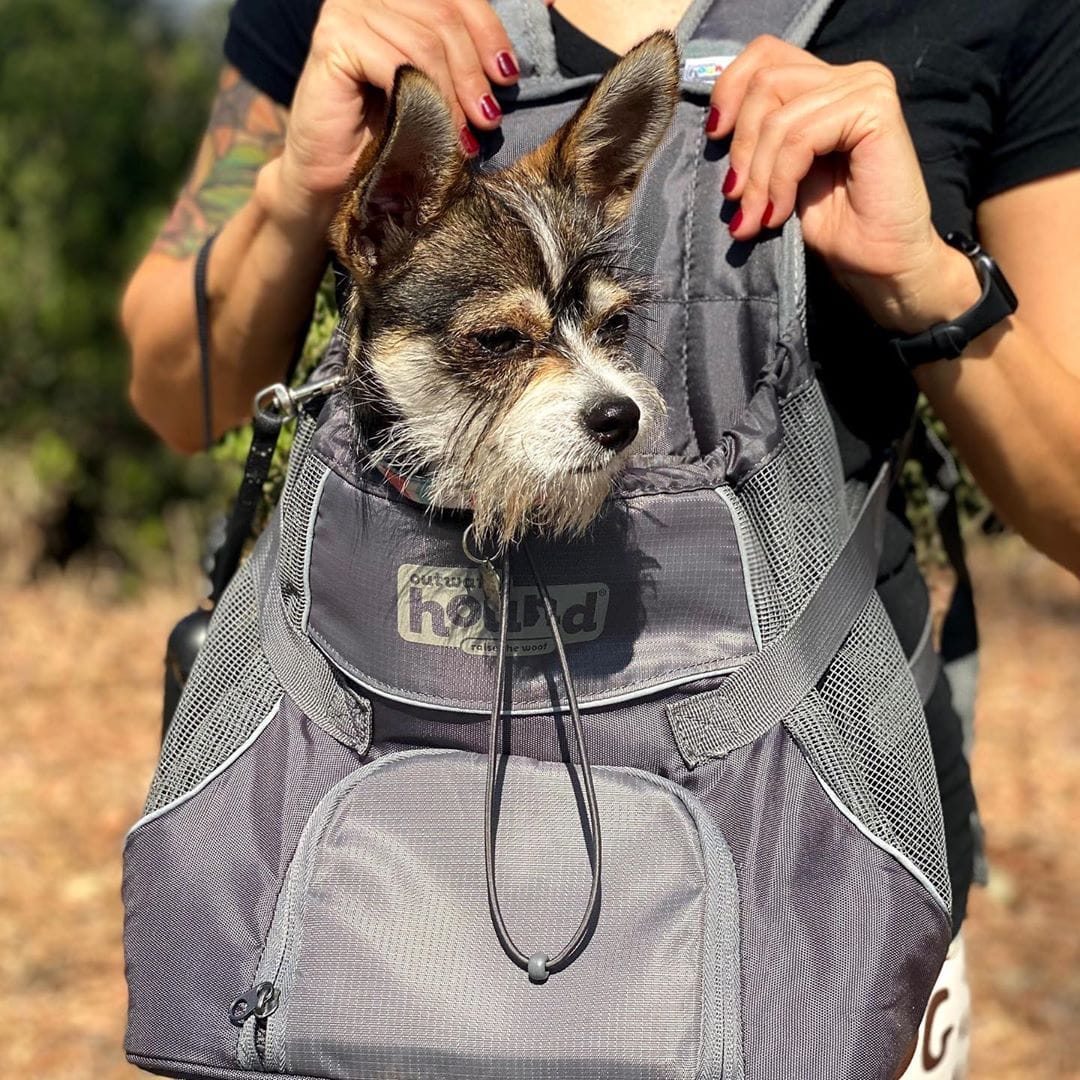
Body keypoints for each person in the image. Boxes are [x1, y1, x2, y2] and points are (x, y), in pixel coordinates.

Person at [121, 0, 1080, 1073]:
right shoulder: (342, 17)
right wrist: (297, 188)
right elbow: (174, 395)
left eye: (610, 330)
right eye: (500, 344)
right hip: (368, 902)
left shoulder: (987, 15)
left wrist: (930, 282)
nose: (605, 390)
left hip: (803, 883)